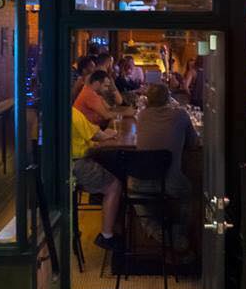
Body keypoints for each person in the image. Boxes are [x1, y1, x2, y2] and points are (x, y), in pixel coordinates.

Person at [132, 83, 200, 251]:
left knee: (130, 191)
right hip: (171, 183)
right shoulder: (181, 115)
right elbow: (194, 143)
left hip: (142, 183)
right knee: (190, 193)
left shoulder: (142, 116)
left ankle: (156, 231)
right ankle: (177, 236)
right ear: (168, 98)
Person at [71, 107, 122, 250]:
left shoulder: (52, 112)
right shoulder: (72, 113)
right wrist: (109, 134)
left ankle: (112, 216)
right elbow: (98, 136)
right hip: (77, 164)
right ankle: (107, 236)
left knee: (110, 167)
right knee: (114, 185)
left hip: (65, 165)